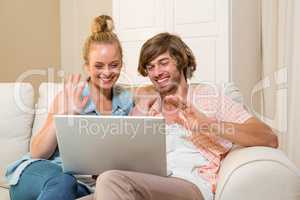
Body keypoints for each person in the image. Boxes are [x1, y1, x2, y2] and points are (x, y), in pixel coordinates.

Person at [92, 32, 278, 200]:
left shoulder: (208, 96)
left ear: (180, 61)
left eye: (163, 63)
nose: (157, 73)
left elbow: (268, 137)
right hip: (143, 182)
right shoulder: (148, 105)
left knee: (110, 180)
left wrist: (208, 125)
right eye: (150, 67)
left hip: (188, 185)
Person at [5, 15, 133, 200]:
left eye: (114, 65)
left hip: (81, 185)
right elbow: (37, 152)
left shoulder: (126, 102)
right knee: (64, 181)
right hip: (40, 174)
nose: (107, 72)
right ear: (87, 67)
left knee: (70, 185)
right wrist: (65, 115)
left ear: (122, 64)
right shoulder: (70, 95)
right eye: (98, 66)